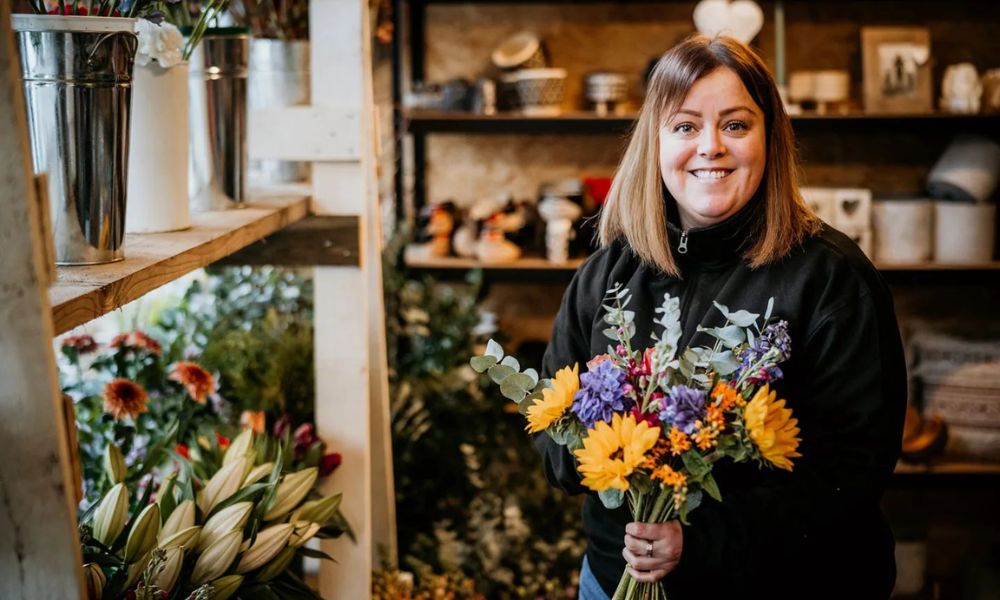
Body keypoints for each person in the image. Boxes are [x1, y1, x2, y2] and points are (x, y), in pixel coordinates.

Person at [536, 35, 906, 599]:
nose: (710, 146)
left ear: (769, 138)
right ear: (655, 142)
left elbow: (851, 471)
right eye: (685, 126)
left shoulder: (830, 278)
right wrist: (623, 454)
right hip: (614, 583)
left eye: (735, 125)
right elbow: (554, 440)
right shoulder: (607, 273)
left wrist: (700, 537)